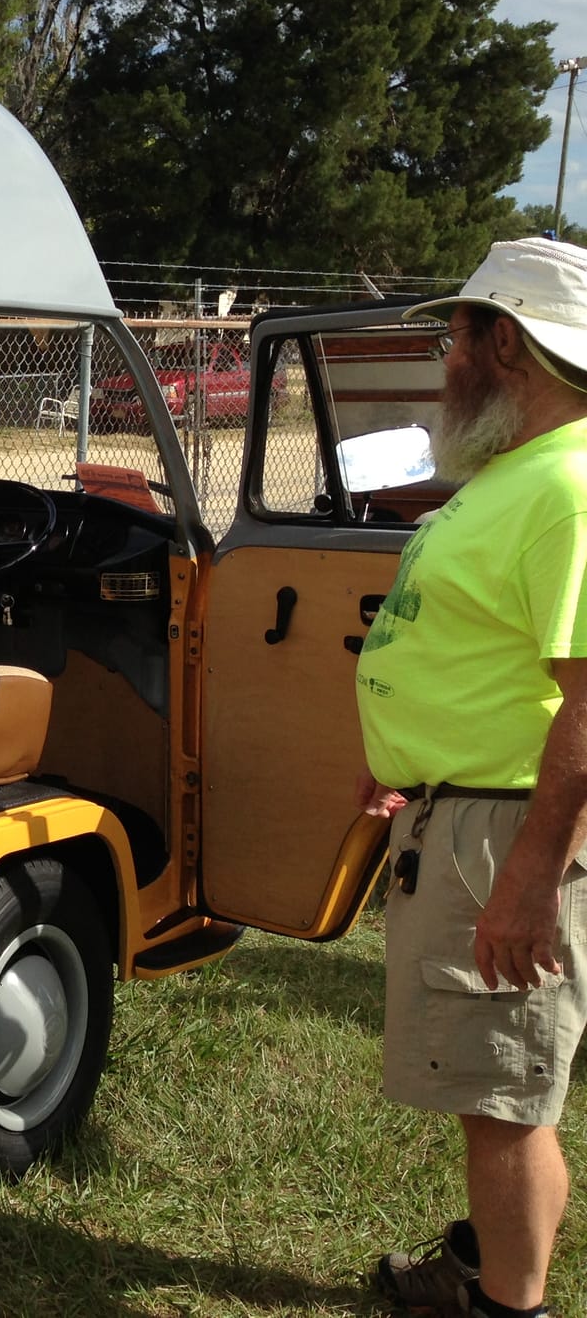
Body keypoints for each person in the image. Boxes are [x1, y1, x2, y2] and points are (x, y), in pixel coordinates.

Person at [354, 237, 587, 1318]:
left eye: (455, 334)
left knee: (504, 1095)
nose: (443, 356)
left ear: (505, 341)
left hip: (504, 835)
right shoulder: (515, 473)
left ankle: (507, 1308)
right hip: (467, 817)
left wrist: (529, 875)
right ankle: (485, 1266)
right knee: (500, 1089)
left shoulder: (570, 485)